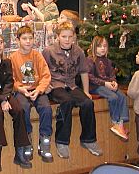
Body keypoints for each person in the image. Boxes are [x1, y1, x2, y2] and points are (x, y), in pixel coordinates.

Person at [42, 21, 103, 159]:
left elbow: (83, 72)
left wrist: (86, 91)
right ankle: (62, 141)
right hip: (55, 85)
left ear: (74, 37)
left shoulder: (78, 51)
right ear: (58, 37)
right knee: (67, 102)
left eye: (70, 37)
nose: (67, 40)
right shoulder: (49, 51)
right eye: (64, 36)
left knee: (88, 103)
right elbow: (42, 70)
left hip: (72, 85)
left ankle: (89, 139)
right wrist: (45, 85)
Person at [0, 32, 32, 172]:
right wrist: (2, 100)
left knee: (19, 110)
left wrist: (6, 97)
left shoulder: (7, 61)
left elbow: (9, 82)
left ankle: (20, 152)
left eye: (1, 42)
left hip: (6, 94)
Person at [10, 25, 53, 163]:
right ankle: (27, 139)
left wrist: (39, 90)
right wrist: (20, 89)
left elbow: (46, 76)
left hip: (37, 90)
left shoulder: (37, 55)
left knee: (46, 108)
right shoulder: (13, 58)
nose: (28, 41)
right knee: (24, 108)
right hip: (22, 91)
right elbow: (12, 80)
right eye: (24, 38)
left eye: (30, 38)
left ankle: (44, 140)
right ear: (18, 41)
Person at [86, 36, 129, 140]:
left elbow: (111, 74)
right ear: (94, 47)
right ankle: (115, 122)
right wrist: (105, 83)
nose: (102, 48)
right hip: (96, 87)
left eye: (104, 46)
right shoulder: (90, 60)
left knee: (122, 97)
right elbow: (90, 77)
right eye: (99, 46)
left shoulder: (107, 61)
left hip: (107, 85)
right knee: (113, 97)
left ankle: (121, 123)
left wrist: (114, 82)